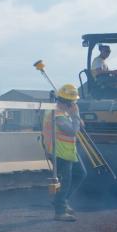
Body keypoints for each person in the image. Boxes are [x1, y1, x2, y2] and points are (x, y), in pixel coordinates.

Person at [42, 83, 87, 222]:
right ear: (68, 102)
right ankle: (60, 212)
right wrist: (76, 116)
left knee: (80, 173)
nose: (75, 105)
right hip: (58, 152)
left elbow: (77, 126)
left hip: (67, 152)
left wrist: (75, 119)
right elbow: (72, 131)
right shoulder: (57, 114)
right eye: (74, 102)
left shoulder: (63, 112)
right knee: (66, 181)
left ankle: (61, 201)